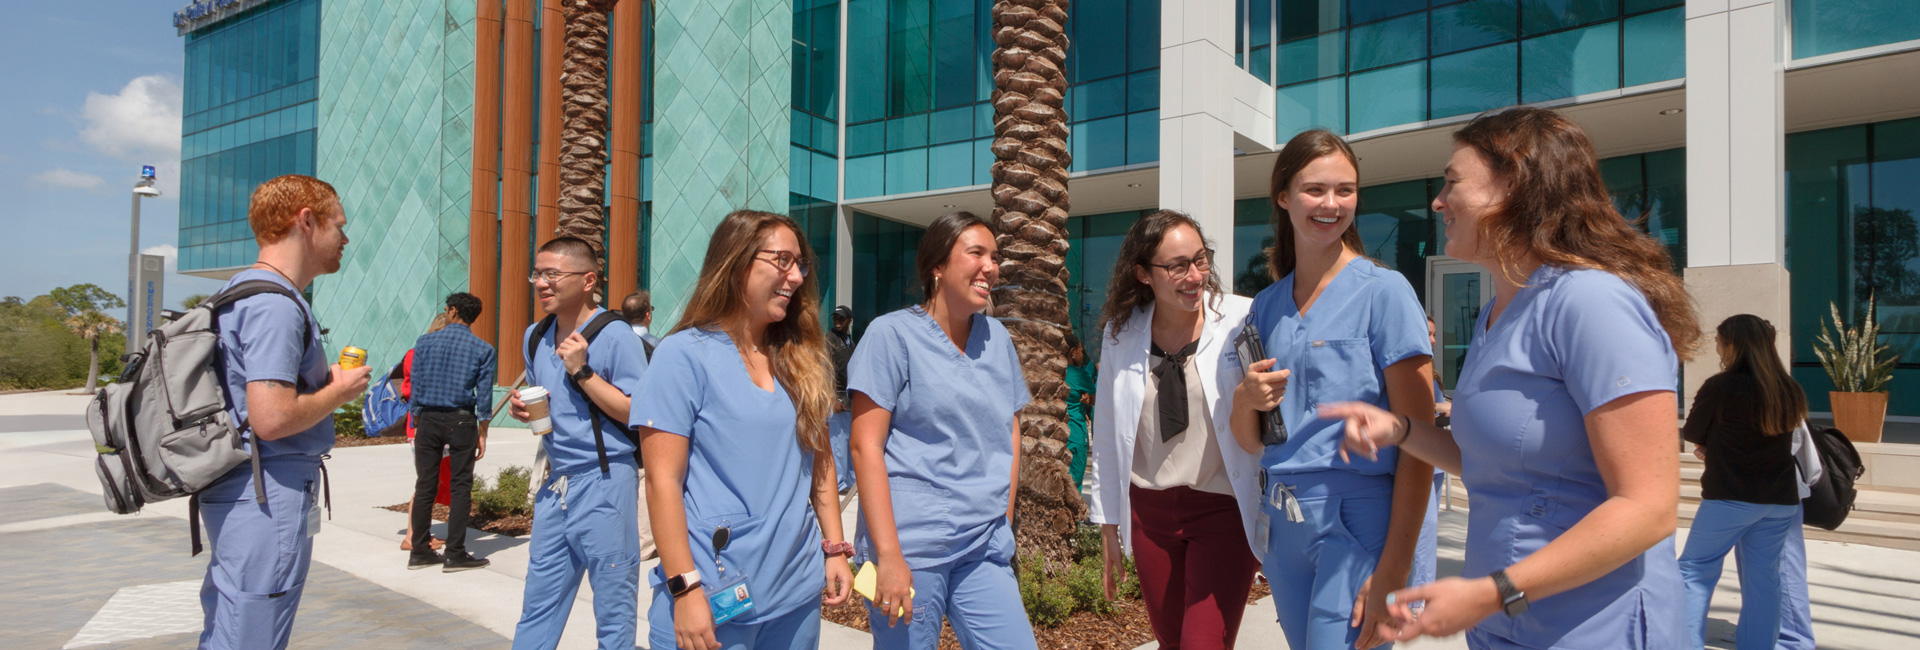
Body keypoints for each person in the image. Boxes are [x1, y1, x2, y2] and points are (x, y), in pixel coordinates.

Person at [1321, 106, 1699, 649]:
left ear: (1514, 187)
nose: (1438, 200)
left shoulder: (1592, 301)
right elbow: (1493, 461)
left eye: (1452, 182)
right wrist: (1401, 430)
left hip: (1593, 626)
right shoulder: (1496, 310)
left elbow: (1649, 508)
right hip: (1505, 628)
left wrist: (1492, 592)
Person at [1231, 129, 1435, 650]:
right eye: (1314, 189)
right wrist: (1244, 401)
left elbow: (1422, 441)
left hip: (1357, 522)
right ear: (1283, 196)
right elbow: (1253, 440)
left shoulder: (1384, 293)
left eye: (1345, 190)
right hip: (1282, 523)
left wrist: (1396, 565)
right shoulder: (1266, 306)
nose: (1331, 204)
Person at [633, 209, 854, 650]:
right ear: (736, 262)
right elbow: (662, 482)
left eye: (801, 264)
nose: (795, 277)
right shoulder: (683, 355)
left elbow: (821, 461)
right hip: (714, 599)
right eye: (783, 261)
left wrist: (834, 548)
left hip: (796, 596)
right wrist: (684, 588)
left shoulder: (801, 358)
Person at [849, 211, 1038, 650]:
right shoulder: (891, 335)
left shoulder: (997, 339)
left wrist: (1004, 521)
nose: (991, 266)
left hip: (983, 543)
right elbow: (864, 446)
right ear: (937, 265)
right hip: (910, 545)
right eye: (977, 253)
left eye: (995, 256)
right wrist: (890, 556)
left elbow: (1010, 429)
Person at [199, 174, 372, 649]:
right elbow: (272, 419)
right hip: (266, 490)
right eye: (339, 225)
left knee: (230, 621)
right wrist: (340, 392)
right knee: (253, 628)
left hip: (240, 486)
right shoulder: (276, 305)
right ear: (307, 221)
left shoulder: (239, 290)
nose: (345, 238)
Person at [1086, 210, 1264, 650]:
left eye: (1201, 260)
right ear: (1143, 274)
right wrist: (1108, 523)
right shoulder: (1120, 333)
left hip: (1223, 509)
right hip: (1150, 514)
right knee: (1170, 642)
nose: (1195, 276)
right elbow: (1107, 431)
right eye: (1177, 266)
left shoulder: (1242, 319)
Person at [506, 237, 651, 650]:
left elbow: (635, 413)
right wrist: (525, 408)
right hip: (557, 486)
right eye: (538, 273)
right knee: (539, 603)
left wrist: (582, 371)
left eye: (553, 274)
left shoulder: (615, 334)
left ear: (588, 280)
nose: (541, 283)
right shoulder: (535, 335)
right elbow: (546, 401)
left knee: (612, 606)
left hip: (606, 483)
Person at [1678, 314, 1806, 649]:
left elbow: (1692, 431)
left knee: (1694, 570)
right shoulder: (1789, 388)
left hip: (1730, 496)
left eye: (1719, 340)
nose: (1716, 346)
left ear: (1732, 344)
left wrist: (1711, 446)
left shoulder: (1720, 386)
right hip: (1780, 501)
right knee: (1764, 580)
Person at [405, 292, 496, 572]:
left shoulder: (425, 342)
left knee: (425, 485)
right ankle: (455, 553)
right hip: (461, 420)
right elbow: (484, 396)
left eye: (447, 308)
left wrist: (418, 419)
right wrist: (483, 431)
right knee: (460, 487)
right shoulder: (483, 348)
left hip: (429, 418)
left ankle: (419, 551)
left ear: (453, 310)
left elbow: (417, 385)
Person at [401, 312, 453, 553]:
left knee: (428, 482)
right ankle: (413, 536)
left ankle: (416, 534)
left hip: (419, 426)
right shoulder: (428, 355)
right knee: (427, 483)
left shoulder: (415, 353)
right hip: (428, 427)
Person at [1411, 316, 1449, 589]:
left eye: (1435, 334)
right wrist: (1443, 408)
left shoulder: (1427, 367)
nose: (1434, 340)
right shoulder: (1409, 367)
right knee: (1423, 530)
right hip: (1420, 459)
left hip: (1436, 460)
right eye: (1430, 334)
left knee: (1426, 529)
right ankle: (1418, 596)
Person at [830, 305, 857, 494]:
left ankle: (851, 481)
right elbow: (825, 370)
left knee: (849, 441)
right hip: (836, 398)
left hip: (850, 399)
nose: (837, 321)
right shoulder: (828, 341)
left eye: (841, 318)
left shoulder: (850, 342)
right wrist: (831, 398)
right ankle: (839, 483)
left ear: (849, 321)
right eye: (835, 318)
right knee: (838, 443)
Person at [1063, 332, 1095, 489]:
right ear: (1073, 352)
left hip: (1056, 435)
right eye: (1081, 351)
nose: (1083, 355)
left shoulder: (1055, 372)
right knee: (1075, 484)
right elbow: (1097, 398)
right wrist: (1088, 399)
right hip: (1075, 433)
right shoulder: (1079, 374)